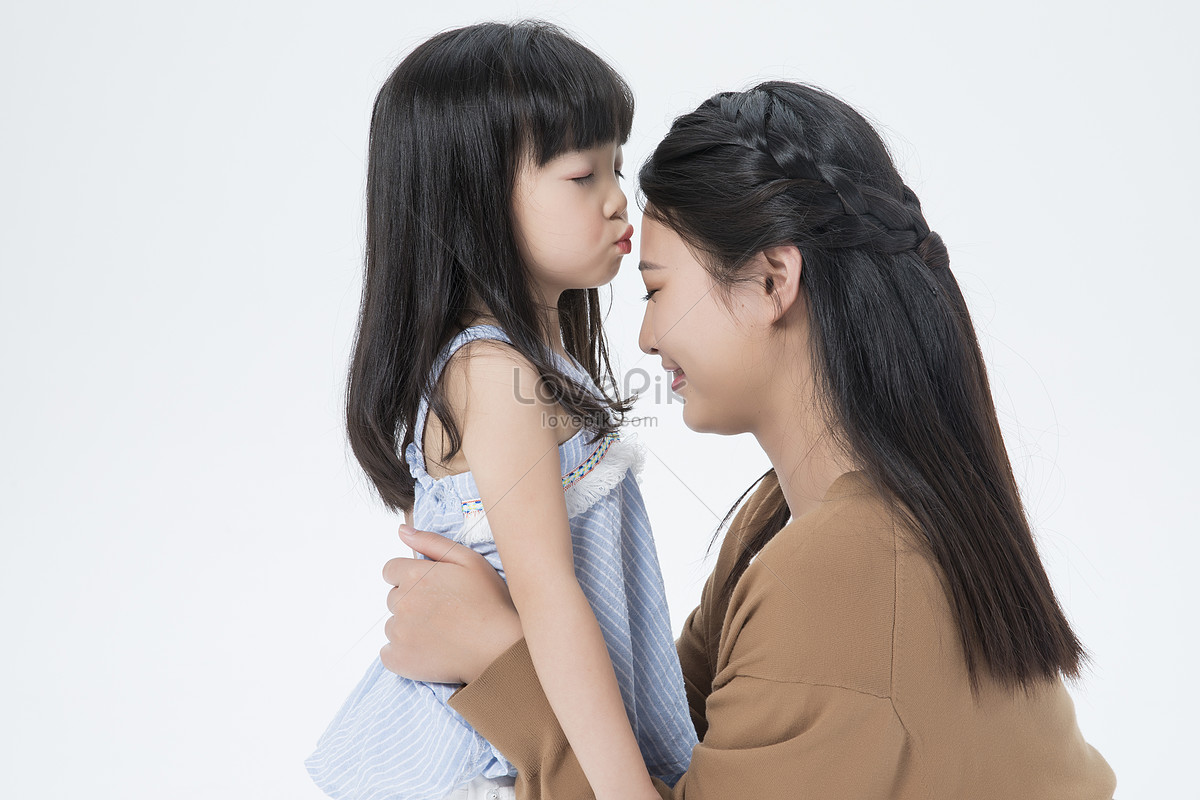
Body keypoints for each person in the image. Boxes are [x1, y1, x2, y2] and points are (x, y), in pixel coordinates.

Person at [377, 82, 1119, 798]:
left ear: (772, 281)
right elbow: (670, 748)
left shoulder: (841, 568)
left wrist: (496, 660)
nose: (643, 335)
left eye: (657, 289)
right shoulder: (786, 530)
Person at [305, 21, 696, 800]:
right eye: (584, 174)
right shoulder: (491, 371)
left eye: (617, 165)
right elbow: (550, 596)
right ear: (475, 200)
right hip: (487, 763)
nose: (621, 199)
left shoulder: (530, 367)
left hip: (532, 743)